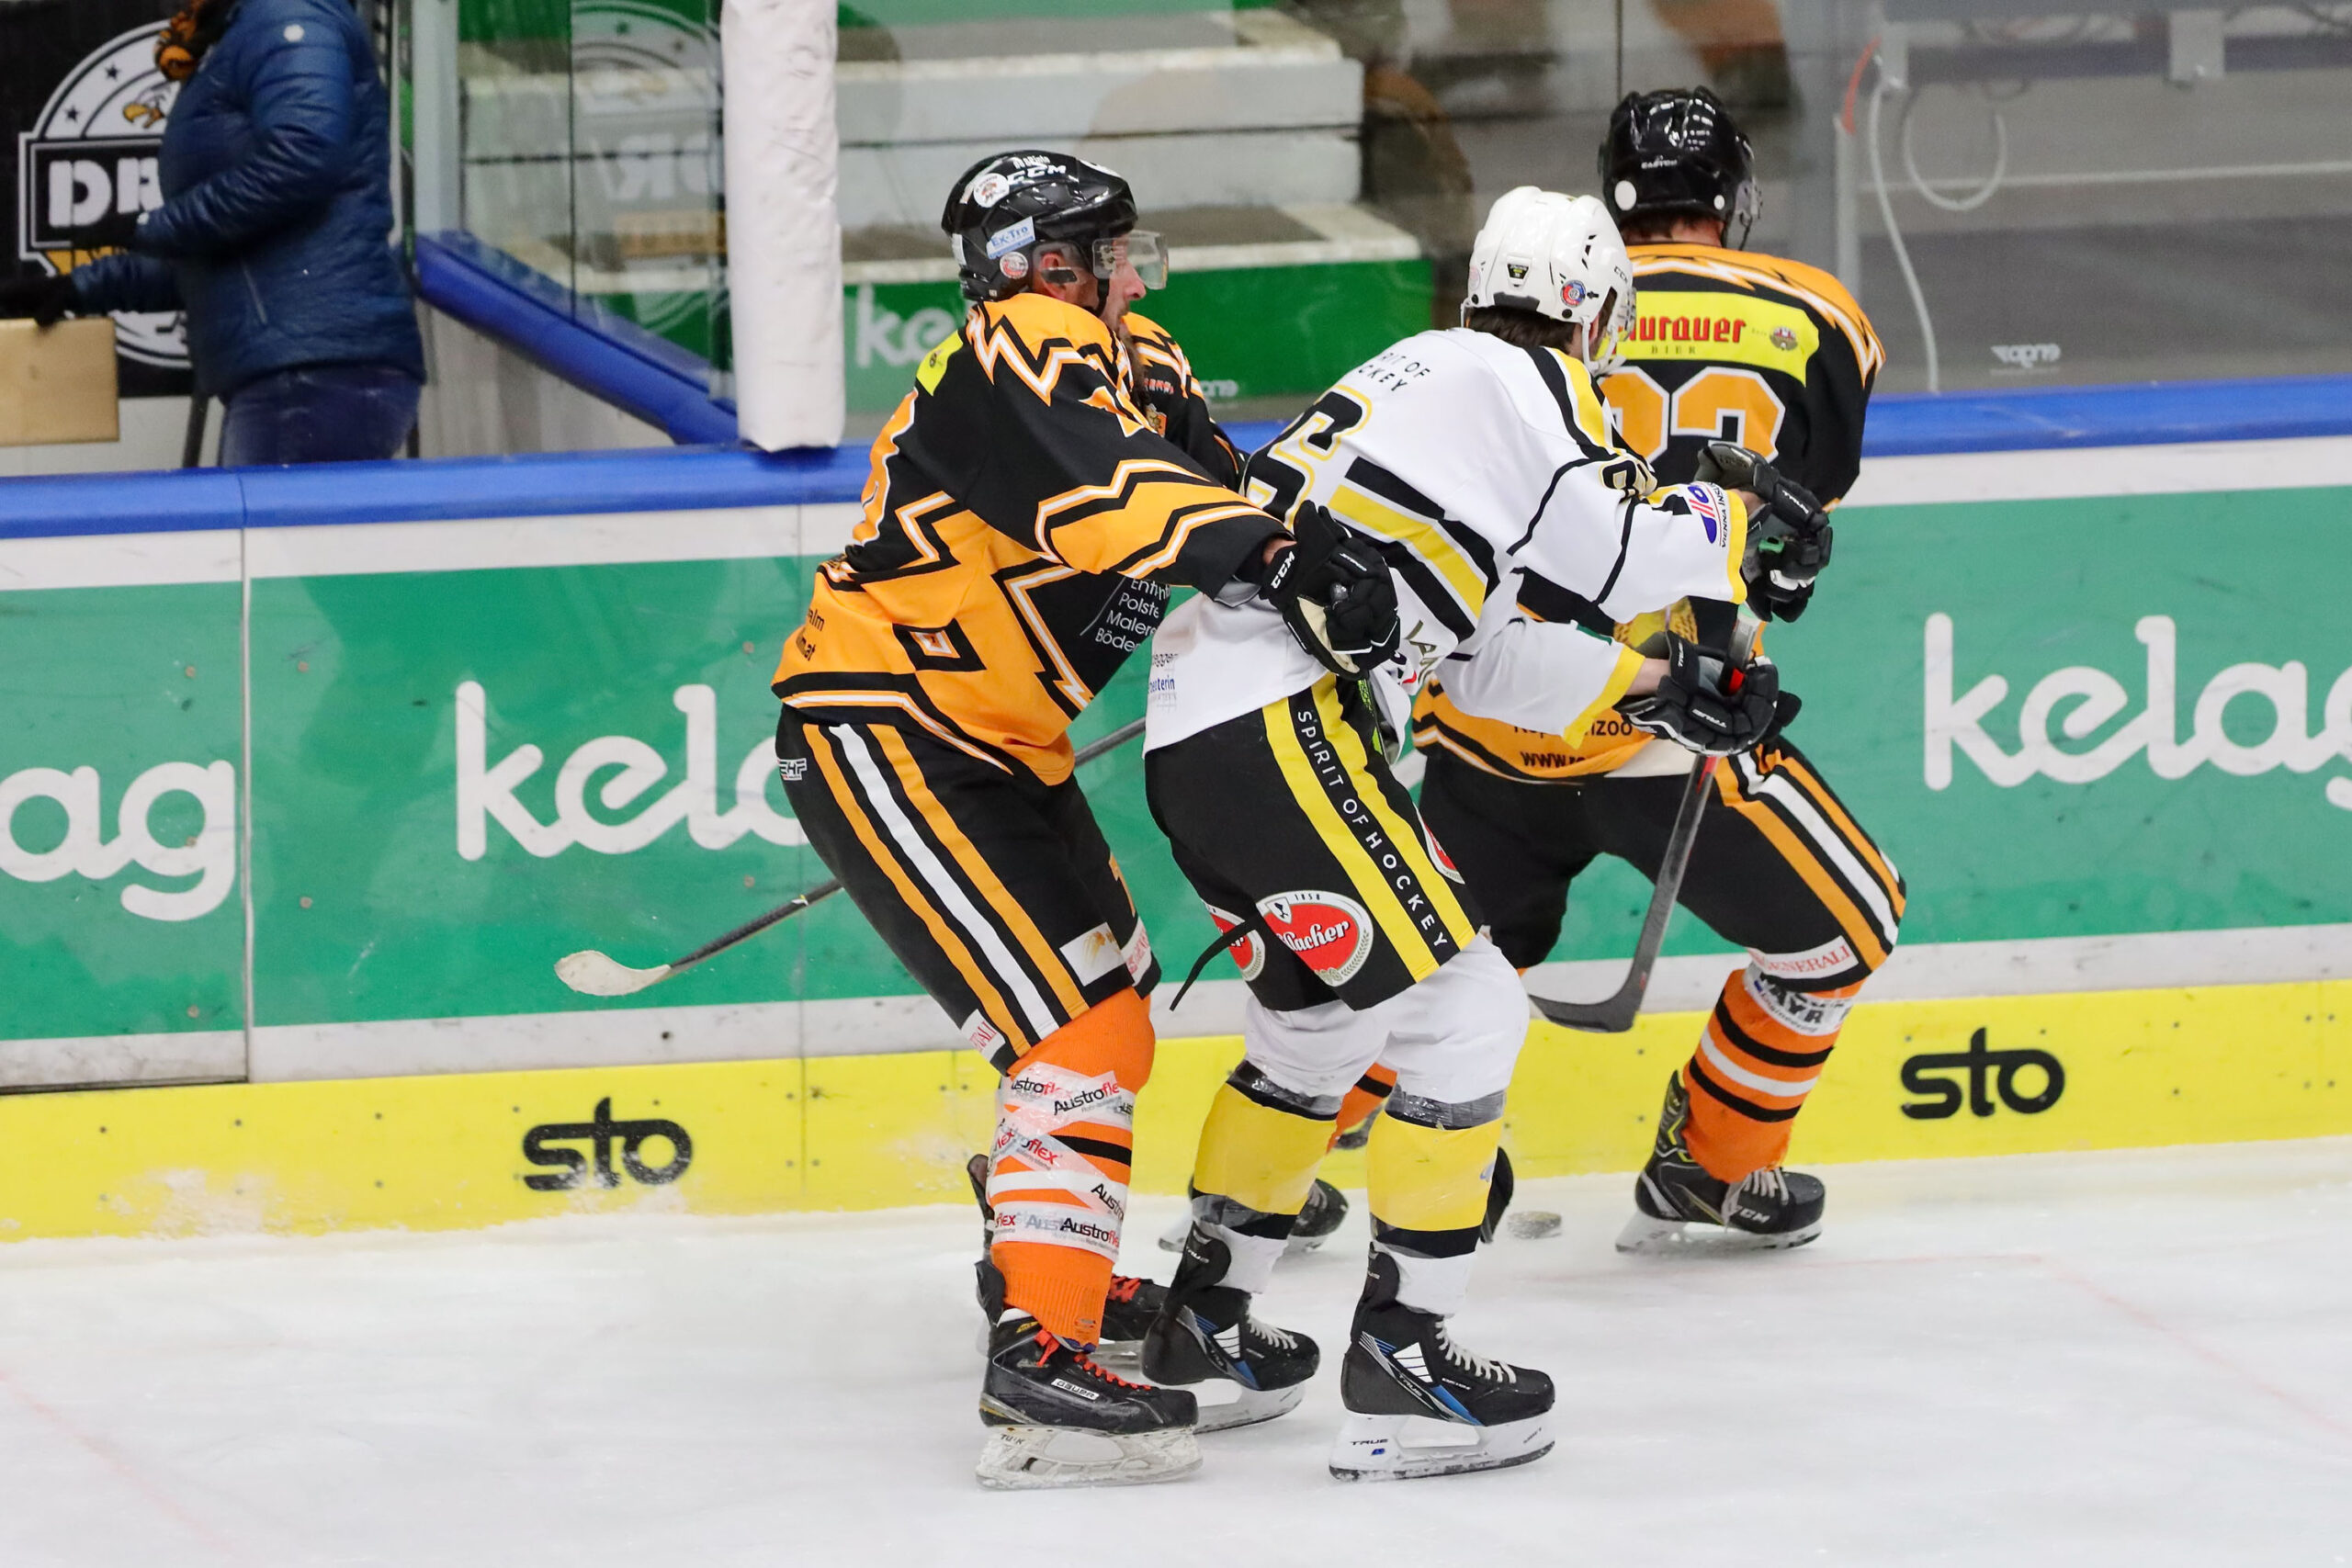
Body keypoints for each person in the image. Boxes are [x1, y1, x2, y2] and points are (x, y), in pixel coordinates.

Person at [1136, 186, 1789, 1479]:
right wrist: (1741, 521)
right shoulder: (1526, 382)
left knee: (1317, 1035)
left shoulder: (1430, 385)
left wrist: (1656, 687)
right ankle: (1406, 1358)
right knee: (1469, 1012)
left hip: (1209, 735)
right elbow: (1626, 556)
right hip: (1286, 727)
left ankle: (1201, 1326)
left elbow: (1477, 654)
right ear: (1591, 308)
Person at [769, 150, 1341, 1490]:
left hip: (996, 750)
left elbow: (1239, 496)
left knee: (1112, 1019)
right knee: (1075, 1033)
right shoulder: (1016, 344)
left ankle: (1042, 1268)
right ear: (1040, 266)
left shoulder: (1137, 360)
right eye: (1104, 253)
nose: (1129, 275)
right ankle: (1038, 1355)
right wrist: (1274, 556)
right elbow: (1118, 505)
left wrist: (1350, 556)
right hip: (891, 729)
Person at [1408, 86, 1900, 1254]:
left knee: (1420, 968)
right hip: (1674, 728)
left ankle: (1310, 1182)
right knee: (1844, 933)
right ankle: (1709, 1166)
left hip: (1487, 716)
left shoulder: (1492, 323)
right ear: (1731, 196)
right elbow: (1795, 523)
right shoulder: (1814, 312)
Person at [0, 0, 424, 465]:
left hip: (314, 369)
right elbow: (225, 254)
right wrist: (81, 286)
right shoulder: (239, 29)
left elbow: (304, 159)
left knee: (269, 515)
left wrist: (148, 225)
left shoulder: (287, 15)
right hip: (298, 370)